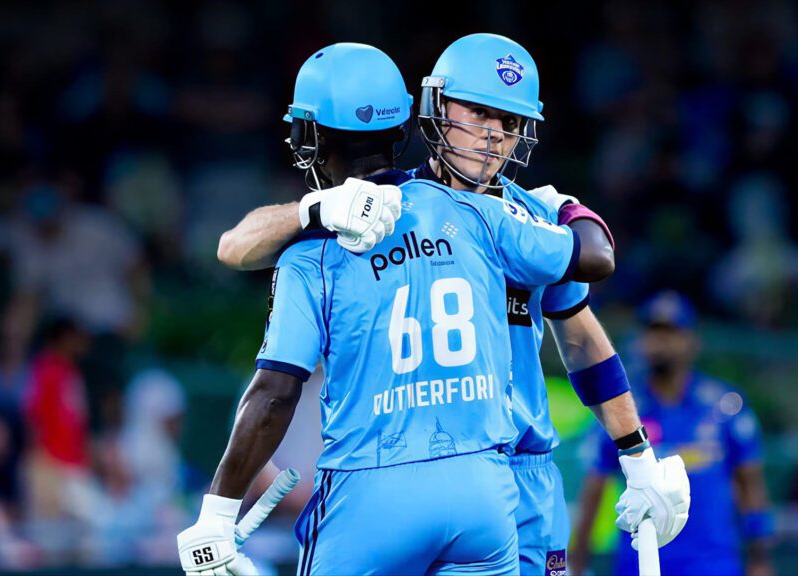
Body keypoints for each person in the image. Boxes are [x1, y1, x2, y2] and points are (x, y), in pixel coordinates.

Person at [216, 33, 691, 575]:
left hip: (523, 481)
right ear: (437, 108)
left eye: (510, 124)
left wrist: (637, 455)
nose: (493, 137)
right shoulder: (382, 208)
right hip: (411, 469)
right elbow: (235, 246)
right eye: (479, 113)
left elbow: (582, 340)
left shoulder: (532, 218)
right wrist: (316, 207)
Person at [572, 292, 774, 576]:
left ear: (692, 340)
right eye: (652, 332)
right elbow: (594, 490)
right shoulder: (623, 409)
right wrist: (577, 564)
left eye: (671, 332)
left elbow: (751, 487)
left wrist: (760, 562)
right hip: (642, 566)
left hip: (713, 566)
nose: (660, 343)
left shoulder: (725, 406)